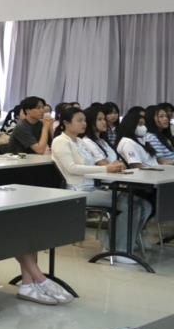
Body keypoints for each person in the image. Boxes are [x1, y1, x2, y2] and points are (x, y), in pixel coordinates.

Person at [52, 106, 151, 255]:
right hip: (78, 190)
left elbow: (92, 165)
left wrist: (113, 166)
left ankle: (124, 241)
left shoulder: (79, 141)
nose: (84, 123)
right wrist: (106, 169)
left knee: (145, 204)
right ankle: (116, 249)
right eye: (79, 120)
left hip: (94, 187)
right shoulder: (60, 141)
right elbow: (72, 168)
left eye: (84, 120)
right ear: (65, 123)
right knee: (130, 204)